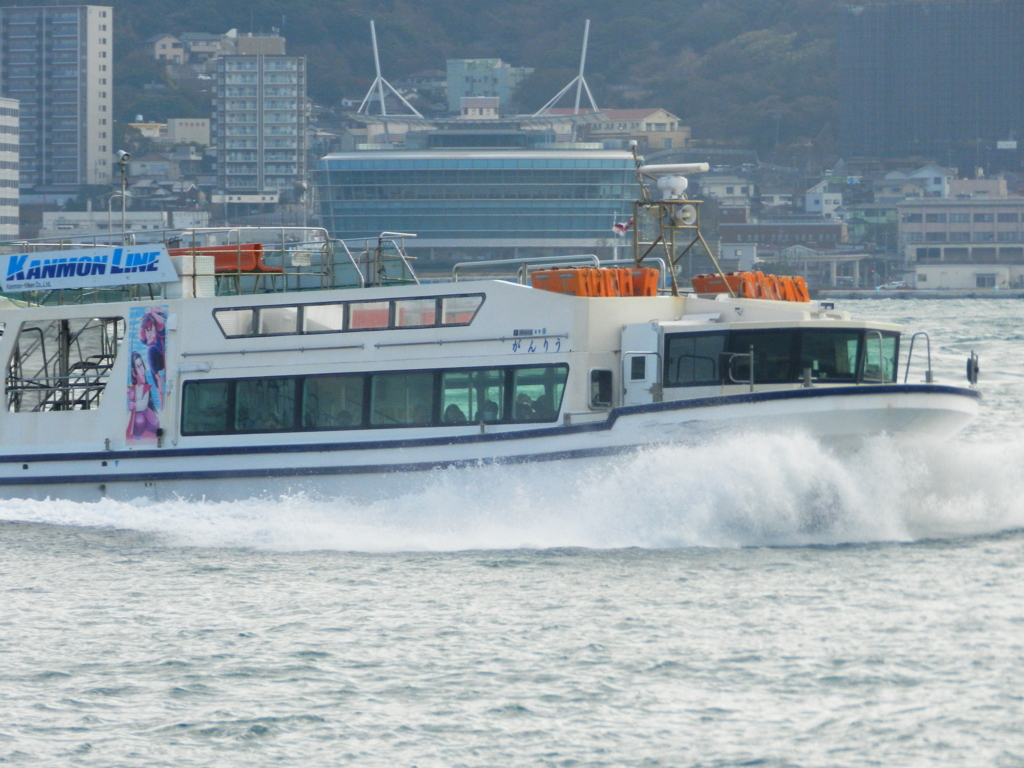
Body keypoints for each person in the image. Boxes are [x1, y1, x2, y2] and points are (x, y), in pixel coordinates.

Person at [126, 351, 160, 440]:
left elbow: (144, 404)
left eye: (142, 366)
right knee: (139, 421)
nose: (142, 370)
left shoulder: (146, 388)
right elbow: (128, 399)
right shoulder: (131, 388)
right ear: (133, 372)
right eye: (138, 366)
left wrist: (135, 405)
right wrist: (131, 397)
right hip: (137, 414)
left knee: (156, 422)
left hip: (145, 411)